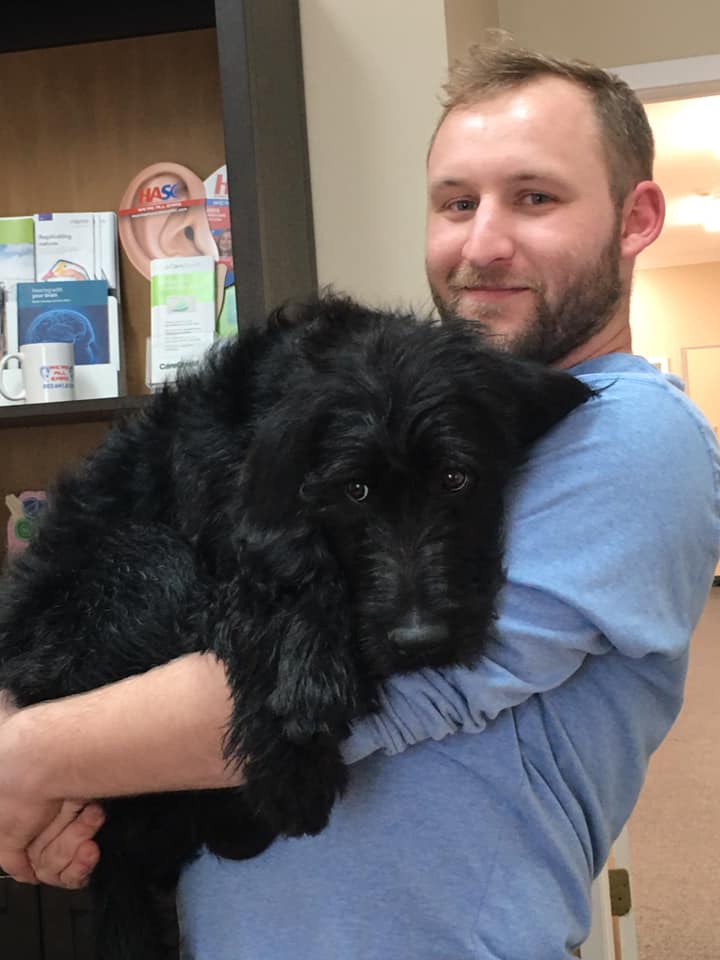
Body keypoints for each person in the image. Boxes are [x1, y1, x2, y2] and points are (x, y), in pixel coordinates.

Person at [1, 39, 719, 959]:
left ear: (636, 216)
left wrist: (29, 755)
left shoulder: (627, 428)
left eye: (535, 198)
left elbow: (378, 686)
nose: (482, 242)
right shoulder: (391, 404)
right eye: (456, 203)